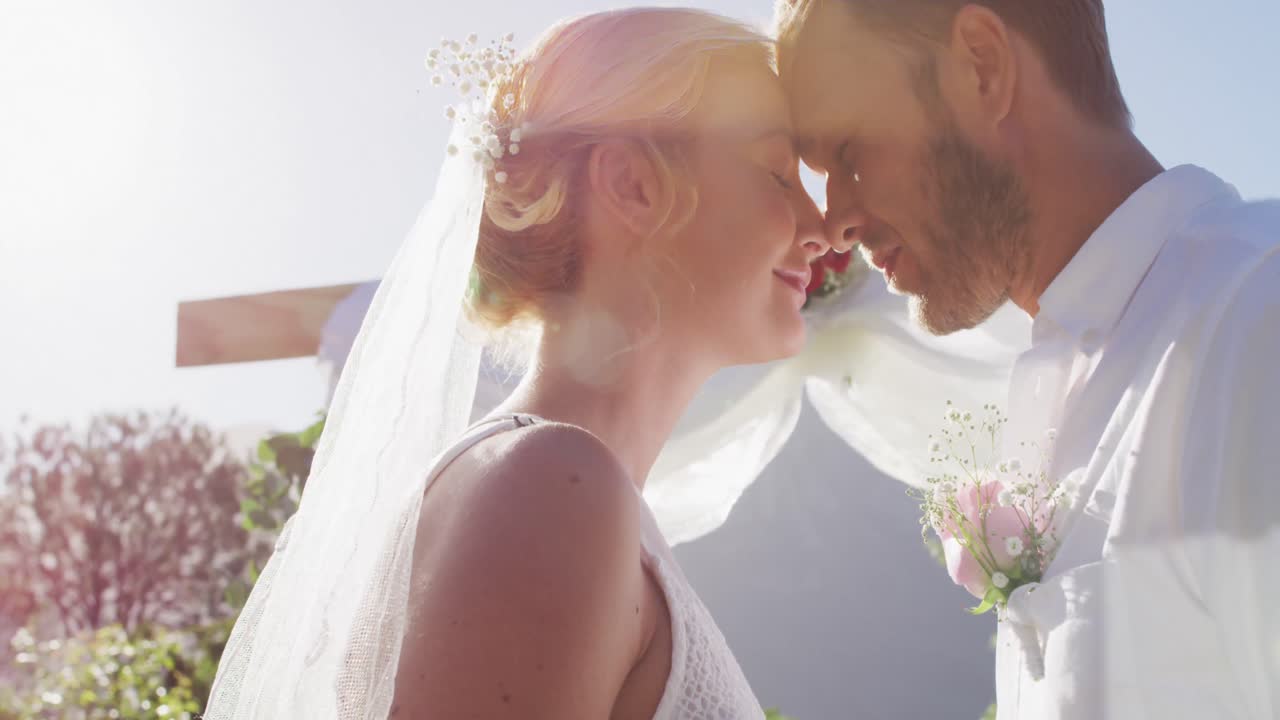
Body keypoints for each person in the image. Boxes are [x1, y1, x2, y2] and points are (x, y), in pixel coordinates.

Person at [205, 8, 835, 719]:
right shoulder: (548, 487)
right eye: (779, 175)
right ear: (632, 185)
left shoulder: (567, 494)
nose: (821, 231)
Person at [775, 0, 1280, 717]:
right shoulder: (1061, 389)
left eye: (851, 154)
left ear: (982, 66)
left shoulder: (1257, 317)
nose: (834, 222)